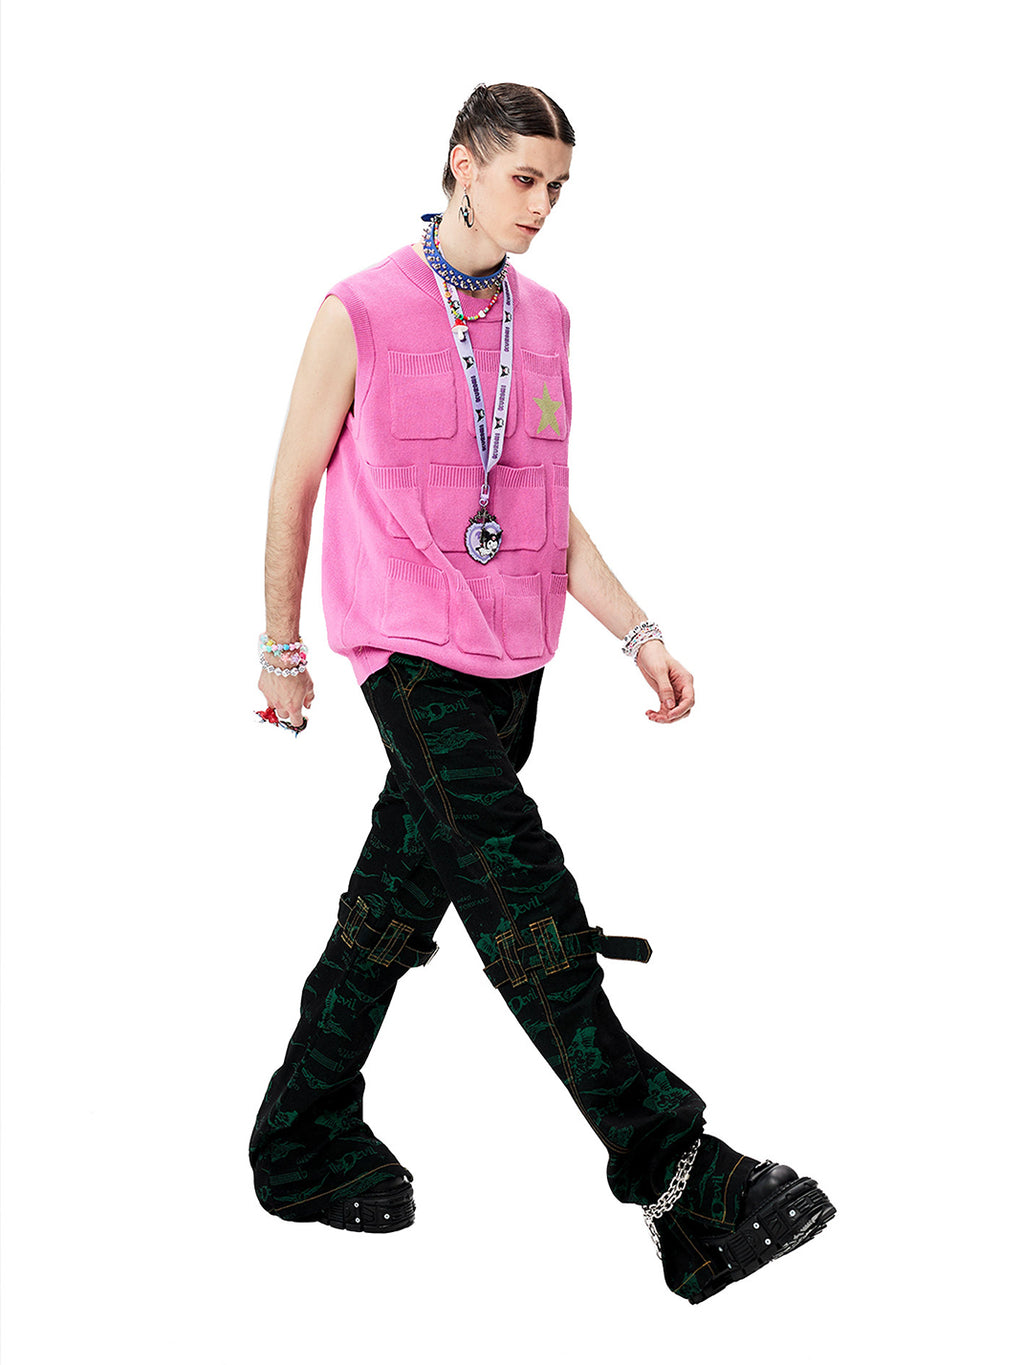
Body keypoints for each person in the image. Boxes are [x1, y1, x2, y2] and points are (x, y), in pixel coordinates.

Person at [247, 81, 836, 1305]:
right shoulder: (357, 310)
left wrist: (638, 633)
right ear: (461, 164)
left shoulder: (547, 321)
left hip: (517, 660)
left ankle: (300, 1134)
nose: (541, 207)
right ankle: (678, 1174)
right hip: (410, 658)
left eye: (557, 188)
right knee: (524, 898)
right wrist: (279, 647)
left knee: (391, 908)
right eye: (523, 179)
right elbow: (293, 480)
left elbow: (541, 508)